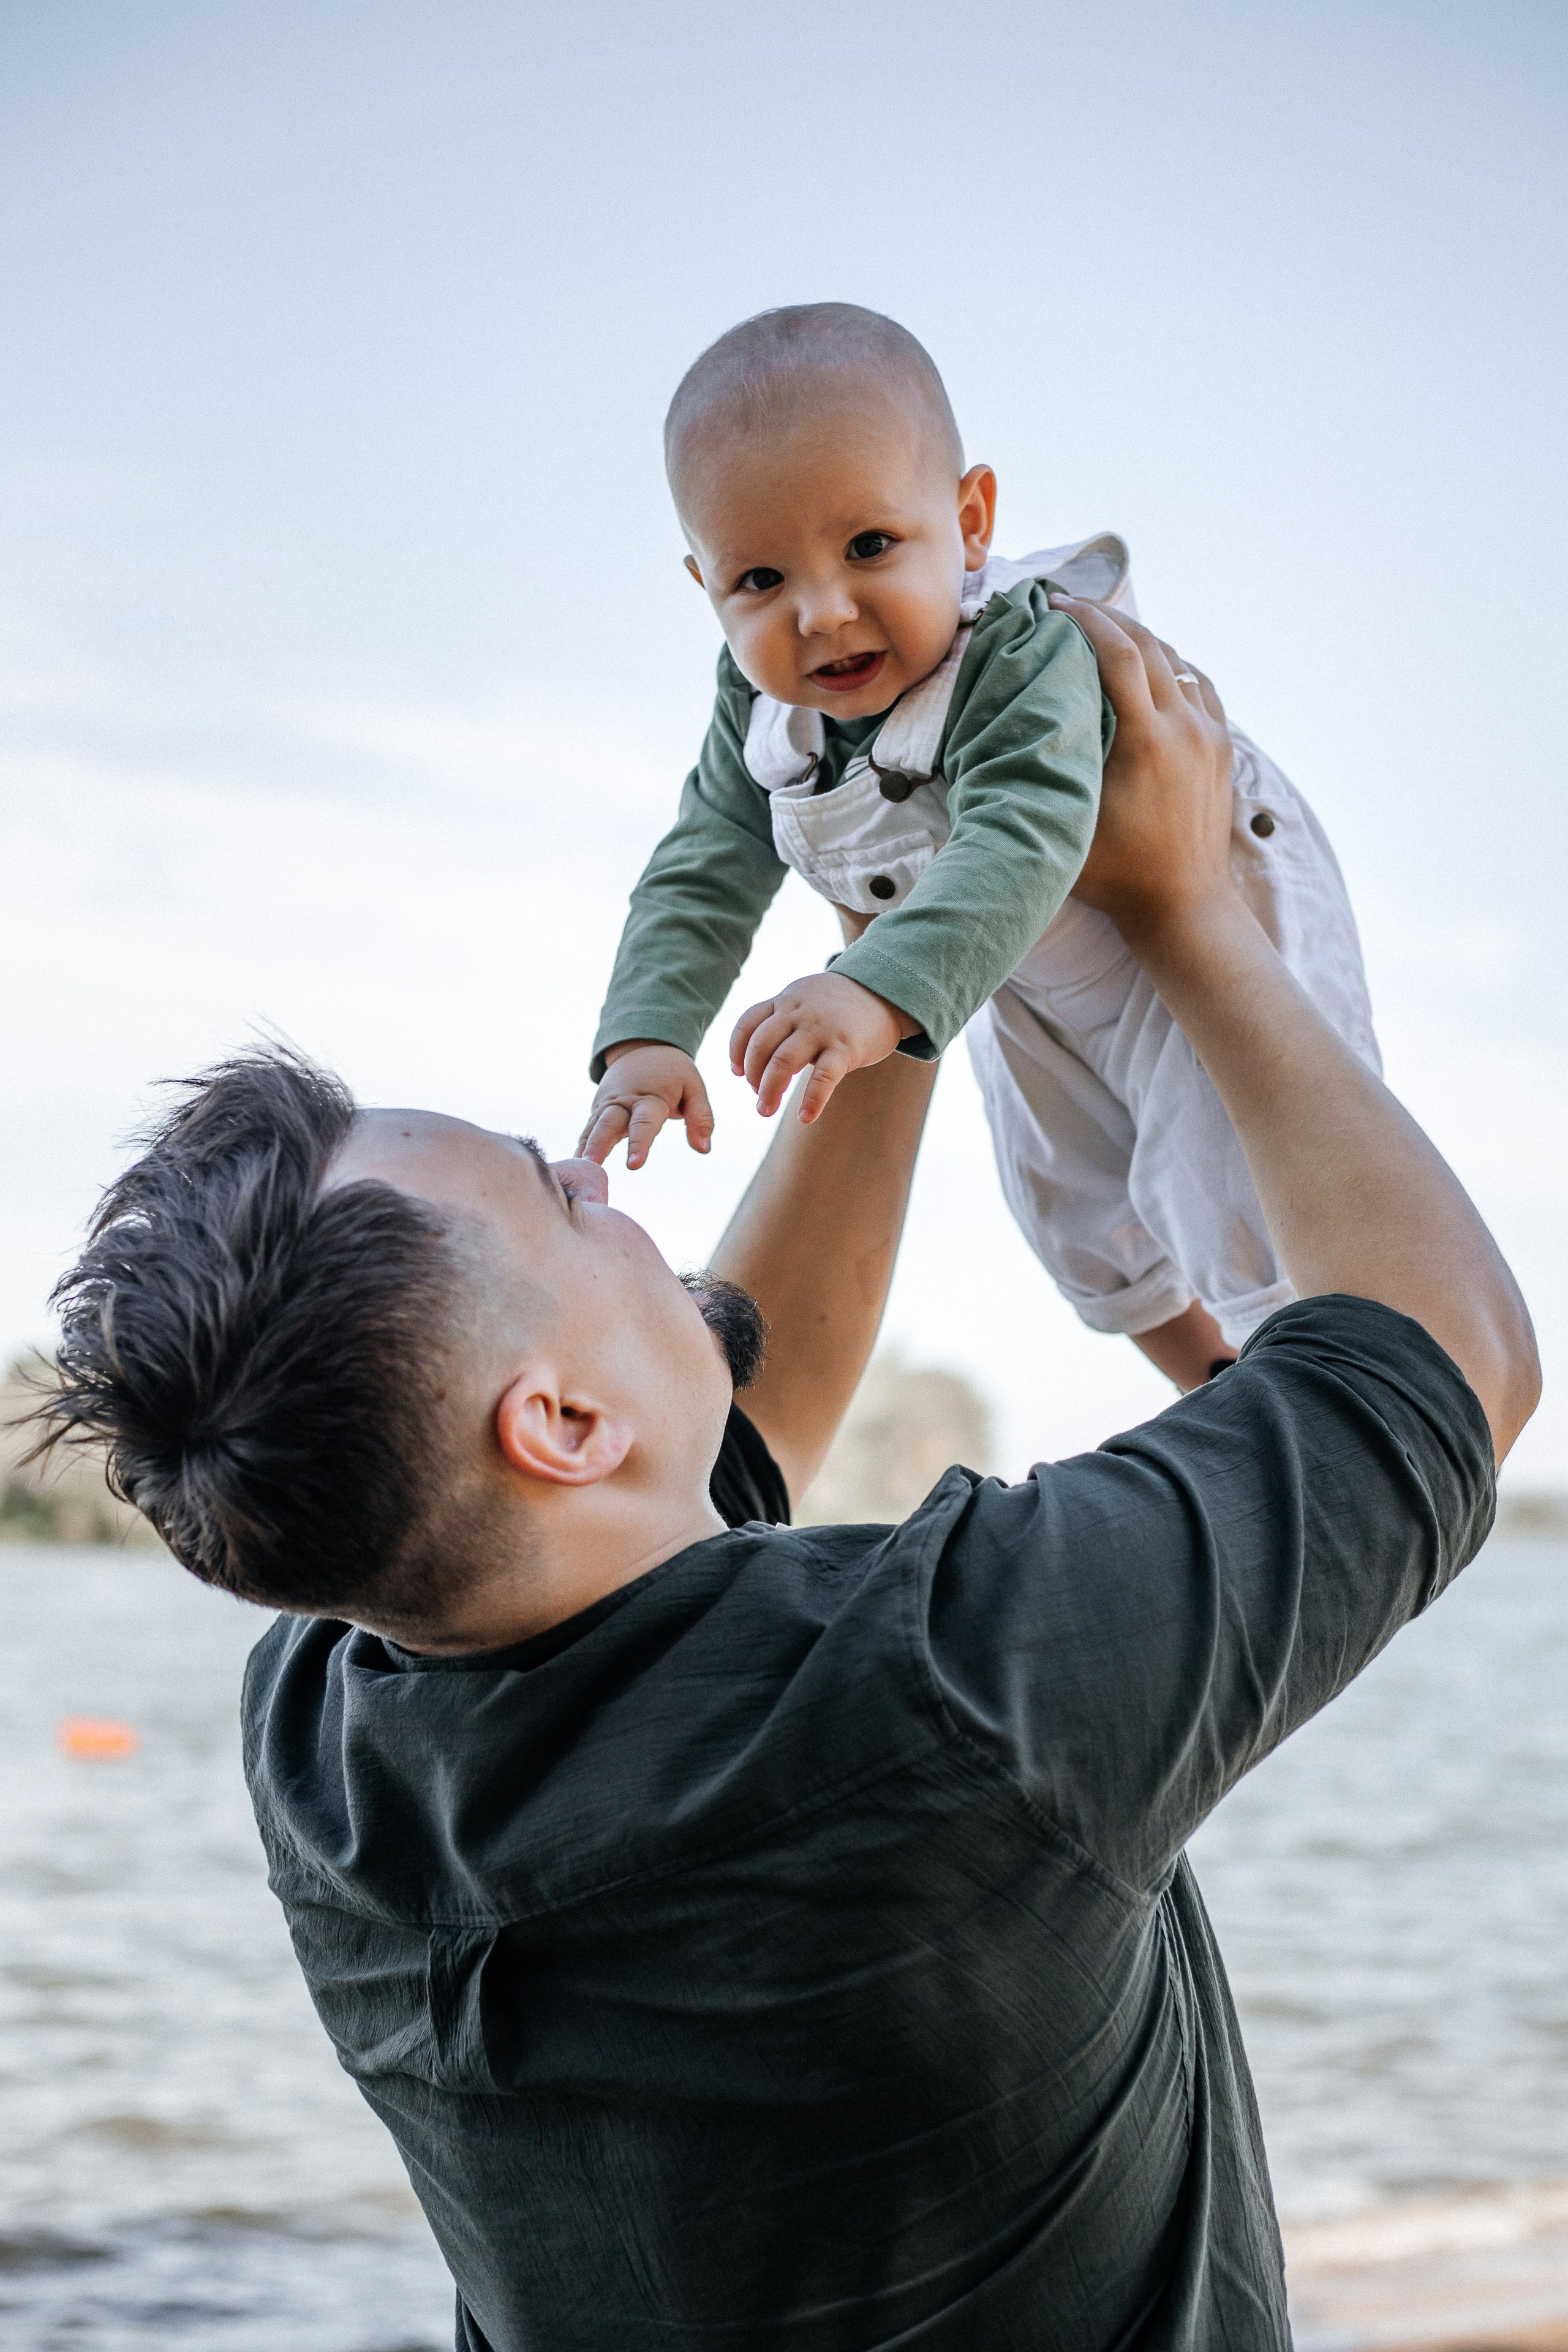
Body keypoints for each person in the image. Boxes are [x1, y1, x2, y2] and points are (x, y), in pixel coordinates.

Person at [30, 609, 1536, 2352]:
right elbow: (1444, 1364)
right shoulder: (954, 1695)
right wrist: (1190, 912)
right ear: (562, 1429)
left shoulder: (332, 1732)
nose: (608, 1185)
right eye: (558, 1191)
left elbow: (721, 1442)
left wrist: (899, 951)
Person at [582, 302, 1381, 1392]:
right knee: (1070, 1202)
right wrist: (648, 1037)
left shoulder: (1018, 648)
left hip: (1185, 911)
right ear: (706, 587)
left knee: (1235, 1185)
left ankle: (1319, 1397)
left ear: (968, 522)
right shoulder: (761, 707)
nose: (821, 613)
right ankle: (1216, 1389)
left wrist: (870, 987)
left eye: (869, 546)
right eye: (759, 580)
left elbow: (1024, 828)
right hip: (1000, 961)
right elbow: (708, 857)